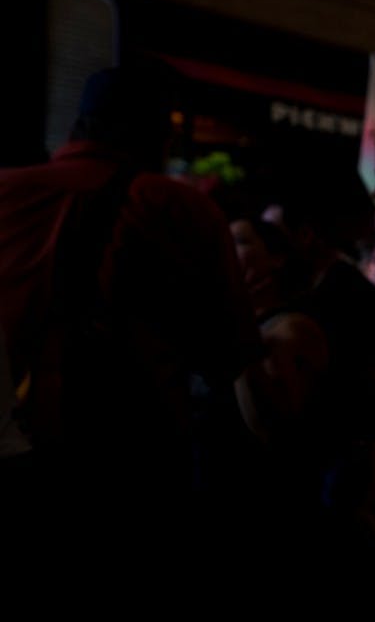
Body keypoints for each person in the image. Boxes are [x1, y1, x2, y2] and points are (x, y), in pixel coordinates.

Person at [0, 64, 262, 554]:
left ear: (78, 126)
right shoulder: (178, 207)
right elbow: (229, 355)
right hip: (131, 479)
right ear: (159, 136)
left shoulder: (7, 192)